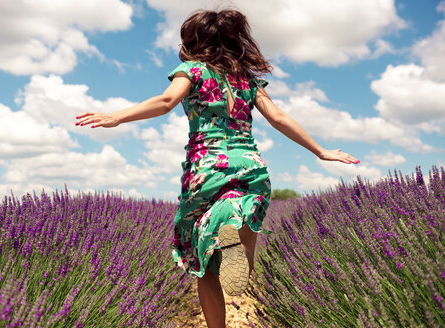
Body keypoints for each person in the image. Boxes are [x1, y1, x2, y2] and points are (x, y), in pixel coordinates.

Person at [76, 8, 359, 328]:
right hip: (251, 169)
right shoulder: (247, 80)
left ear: (194, 41)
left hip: (207, 169)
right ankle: (234, 247)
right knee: (241, 248)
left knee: (203, 263)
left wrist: (117, 116)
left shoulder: (191, 71)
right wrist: (320, 151)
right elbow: (279, 118)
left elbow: (166, 102)